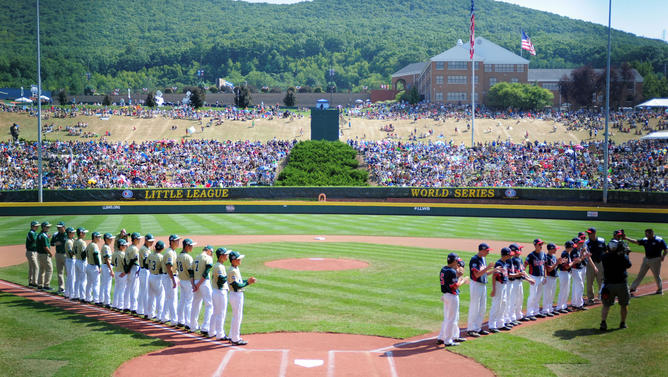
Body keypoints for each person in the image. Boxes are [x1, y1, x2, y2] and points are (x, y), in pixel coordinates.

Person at [600, 230, 632, 331]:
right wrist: (626, 253)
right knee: (624, 304)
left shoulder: (605, 257)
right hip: (621, 284)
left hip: (608, 284)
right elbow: (628, 265)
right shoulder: (623, 257)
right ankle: (622, 323)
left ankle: (603, 323)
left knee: (606, 305)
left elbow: (606, 254)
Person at [437, 252, 469, 346]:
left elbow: (451, 279)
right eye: (457, 261)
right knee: (452, 319)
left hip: (446, 296)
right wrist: (463, 279)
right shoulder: (451, 271)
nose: (458, 264)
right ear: (454, 261)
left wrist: (458, 275)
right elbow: (455, 286)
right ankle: (448, 341)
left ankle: (442, 337)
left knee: (448, 318)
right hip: (452, 296)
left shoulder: (444, 269)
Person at [227, 250, 256, 345]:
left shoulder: (235, 269)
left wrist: (246, 281)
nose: (240, 260)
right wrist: (248, 282)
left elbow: (239, 282)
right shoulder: (232, 271)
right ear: (233, 260)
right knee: (237, 317)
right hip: (236, 295)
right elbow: (236, 285)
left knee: (236, 316)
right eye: (238, 259)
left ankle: (232, 335)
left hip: (236, 294)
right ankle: (235, 339)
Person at [627, 228, 667, 295]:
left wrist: (663, 256)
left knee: (656, 275)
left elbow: (665, 249)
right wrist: (626, 238)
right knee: (640, 274)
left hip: (655, 260)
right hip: (646, 259)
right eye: (645, 233)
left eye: (647, 234)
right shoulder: (645, 239)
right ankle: (633, 288)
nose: (646, 235)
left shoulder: (659, 240)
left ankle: (660, 289)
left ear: (652, 233)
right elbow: (636, 242)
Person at [467, 243, 494, 337]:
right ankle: (471, 329)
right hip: (476, 285)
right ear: (482, 250)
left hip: (483, 285)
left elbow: (484, 273)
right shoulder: (474, 259)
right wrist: (488, 267)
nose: (488, 252)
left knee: (482, 308)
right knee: (475, 307)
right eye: (487, 250)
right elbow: (477, 275)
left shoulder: (483, 258)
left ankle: (478, 328)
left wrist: (494, 270)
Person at [191, 244, 214, 337]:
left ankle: (192, 326)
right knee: (209, 304)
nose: (211, 254)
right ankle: (205, 327)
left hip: (196, 281)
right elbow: (206, 273)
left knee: (196, 303)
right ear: (208, 250)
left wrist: (194, 284)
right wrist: (199, 284)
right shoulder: (208, 258)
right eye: (211, 252)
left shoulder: (196, 257)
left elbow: (191, 272)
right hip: (204, 282)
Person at [508, 243, 534, 323]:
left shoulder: (520, 259)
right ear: (514, 251)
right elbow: (518, 273)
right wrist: (528, 279)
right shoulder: (513, 260)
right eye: (519, 249)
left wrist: (529, 278)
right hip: (514, 282)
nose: (521, 250)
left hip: (519, 282)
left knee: (520, 299)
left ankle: (519, 315)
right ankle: (512, 318)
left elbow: (522, 271)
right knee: (513, 300)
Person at [488, 248, 512, 333]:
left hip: (504, 285)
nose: (510, 256)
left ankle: (500, 323)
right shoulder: (499, 263)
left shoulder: (505, 263)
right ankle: (492, 325)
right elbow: (494, 276)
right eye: (509, 254)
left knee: (503, 304)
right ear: (505, 255)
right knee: (497, 304)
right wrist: (494, 289)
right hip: (499, 285)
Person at [570, 237, 597, 310]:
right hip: (575, 270)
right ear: (576, 244)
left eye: (582, 243)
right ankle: (579, 305)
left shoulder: (579, 250)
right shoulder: (574, 251)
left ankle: (575, 303)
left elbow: (584, 259)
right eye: (580, 243)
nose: (582, 244)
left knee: (576, 287)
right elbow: (578, 261)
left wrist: (585, 255)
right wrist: (583, 254)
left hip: (580, 269)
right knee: (580, 286)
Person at [211, 247, 232, 342]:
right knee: (221, 313)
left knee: (215, 312)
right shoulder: (219, 266)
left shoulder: (219, 265)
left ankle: (212, 331)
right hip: (220, 291)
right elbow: (220, 281)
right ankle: (220, 334)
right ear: (221, 256)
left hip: (216, 291)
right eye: (226, 254)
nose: (227, 256)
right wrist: (228, 277)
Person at [524, 239, 547, 319]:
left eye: (541, 244)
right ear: (535, 245)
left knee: (538, 295)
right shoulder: (531, 255)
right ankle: (529, 313)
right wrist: (527, 277)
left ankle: (536, 311)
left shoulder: (543, 254)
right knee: (533, 295)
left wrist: (545, 276)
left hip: (541, 277)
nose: (541, 246)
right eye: (539, 244)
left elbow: (544, 266)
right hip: (533, 277)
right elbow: (524, 266)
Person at [176, 238, 195, 329]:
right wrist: (193, 283)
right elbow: (191, 271)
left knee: (182, 301)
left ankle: (180, 320)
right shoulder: (187, 257)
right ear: (187, 246)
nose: (192, 247)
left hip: (181, 280)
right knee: (189, 302)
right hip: (187, 281)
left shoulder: (179, 255)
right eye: (191, 246)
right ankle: (188, 323)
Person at [161, 235, 180, 324]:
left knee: (168, 298)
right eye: (176, 241)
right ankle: (174, 320)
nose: (178, 242)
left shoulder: (172, 252)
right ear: (172, 242)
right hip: (169, 277)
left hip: (168, 276)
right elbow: (169, 267)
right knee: (172, 299)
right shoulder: (169, 253)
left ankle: (164, 317)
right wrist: (173, 280)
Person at [585, 227, 606, 304]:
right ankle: (590, 298)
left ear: (594, 233)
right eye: (588, 233)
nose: (589, 234)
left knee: (601, 280)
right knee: (590, 282)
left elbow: (605, 251)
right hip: (590, 264)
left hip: (600, 263)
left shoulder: (601, 240)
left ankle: (601, 296)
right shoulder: (586, 243)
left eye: (590, 233)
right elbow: (587, 256)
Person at [123, 232, 143, 315]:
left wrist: (126, 269)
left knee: (128, 288)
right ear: (135, 239)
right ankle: (133, 307)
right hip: (133, 268)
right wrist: (129, 269)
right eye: (138, 239)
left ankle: (126, 306)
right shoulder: (134, 249)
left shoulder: (128, 248)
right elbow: (133, 260)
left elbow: (125, 260)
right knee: (134, 289)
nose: (139, 240)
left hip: (129, 269)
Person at [146, 240, 165, 320]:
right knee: (160, 296)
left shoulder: (150, 255)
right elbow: (163, 269)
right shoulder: (161, 257)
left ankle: (150, 314)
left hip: (150, 276)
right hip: (158, 277)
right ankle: (160, 315)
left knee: (151, 296)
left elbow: (146, 264)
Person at [137, 234, 154, 317]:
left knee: (143, 291)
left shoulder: (147, 248)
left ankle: (140, 310)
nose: (152, 242)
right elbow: (146, 262)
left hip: (144, 271)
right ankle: (146, 312)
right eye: (150, 241)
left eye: (152, 241)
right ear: (146, 240)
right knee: (145, 292)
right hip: (145, 271)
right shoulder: (144, 249)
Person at [542, 243, 561, 317]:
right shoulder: (547, 257)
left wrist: (560, 263)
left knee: (552, 294)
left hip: (553, 277)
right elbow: (549, 269)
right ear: (550, 249)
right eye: (555, 248)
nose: (556, 250)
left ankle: (550, 309)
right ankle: (545, 310)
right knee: (547, 294)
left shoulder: (553, 257)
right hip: (549, 278)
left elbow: (555, 268)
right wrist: (557, 263)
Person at [556, 241, 574, 313]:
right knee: (563, 290)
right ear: (569, 247)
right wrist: (574, 262)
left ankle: (564, 306)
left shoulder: (566, 253)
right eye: (572, 246)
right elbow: (566, 266)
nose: (573, 248)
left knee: (566, 291)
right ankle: (560, 307)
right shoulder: (565, 254)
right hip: (564, 273)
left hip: (566, 273)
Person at [50, 221, 68, 294]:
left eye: (60, 227)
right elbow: (51, 243)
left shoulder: (67, 234)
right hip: (58, 254)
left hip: (65, 255)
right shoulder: (56, 234)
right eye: (58, 227)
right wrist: (55, 243)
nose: (59, 229)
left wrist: (58, 243)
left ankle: (68, 288)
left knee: (68, 273)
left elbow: (65, 241)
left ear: (64, 227)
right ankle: (61, 288)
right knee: (59, 272)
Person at [84, 232, 102, 304]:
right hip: (94, 267)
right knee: (96, 284)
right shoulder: (94, 246)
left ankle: (88, 298)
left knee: (89, 283)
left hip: (88, 265)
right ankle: (96, 300)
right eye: (98, 237)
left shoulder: (89, 245)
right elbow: (96, 256)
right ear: (94, 237)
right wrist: (99, 266)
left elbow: (83, 254)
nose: (100, 238)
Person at [36, 222, 54, 290]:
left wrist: (47, 237)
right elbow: (45, 247)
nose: (48, 228)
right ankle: (46, 285)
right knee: (49, 269)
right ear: (43, 227)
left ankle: (40, 284)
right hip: (44, 255)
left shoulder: (40, 235)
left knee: (42, 270)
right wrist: (50, 253)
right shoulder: (43, 236)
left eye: (48, 227)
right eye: (47, 227)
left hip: (39, 255)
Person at [100, 233, 115, 308]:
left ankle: (101, 300)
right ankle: (107, 302)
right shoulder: (106, 247)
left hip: (105, 266)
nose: (111, 239)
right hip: (106, 267)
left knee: (103, 284)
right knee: (107, 285)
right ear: (106, 239)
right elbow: (107, 260)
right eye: (110, 238)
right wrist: (111, 270)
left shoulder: (105, 246)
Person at [73, 228, 89, 301]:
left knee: (77, 279)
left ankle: (76, 295)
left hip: (76, 261)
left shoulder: (75, 241)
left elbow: (73, 252)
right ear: (80, 233)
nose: (85, 234)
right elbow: (83, 254)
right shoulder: (82, 242)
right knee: (83, 280)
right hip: (82, 262)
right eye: (84, 233)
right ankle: (82, 297)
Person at [112, 239, 127, 311]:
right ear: (120, 246)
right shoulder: (123, 254)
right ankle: (120, 305)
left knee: (116, 289)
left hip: (117, 272)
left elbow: (112, 263)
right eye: (124, 245)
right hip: (122, 273)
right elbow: (125, 265)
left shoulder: (114, 253)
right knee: (122, 290)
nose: (125, 246)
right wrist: (125, 272)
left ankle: (114, 304)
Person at [25, 220, 40, 288]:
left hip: (33, 252)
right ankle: (34, 282)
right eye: (36, 226)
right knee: (36, 267)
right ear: (32, 226)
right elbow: (35, 240)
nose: (37, 227)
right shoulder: (31, 233)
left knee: (31, 267)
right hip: (31, 252)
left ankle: (30, 282)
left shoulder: (33, 232)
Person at [64, 227, 76, 299]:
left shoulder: (71, 240)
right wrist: (77, 253)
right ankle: (71, 294)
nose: (74, 233)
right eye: (72, 232)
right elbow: (71, 253)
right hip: (70, 260)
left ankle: (67, 293)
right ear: (69, 233)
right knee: (71, 277)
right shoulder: (68, 242)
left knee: (70, 277)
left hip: (70, 260)